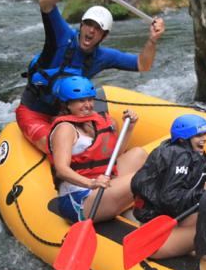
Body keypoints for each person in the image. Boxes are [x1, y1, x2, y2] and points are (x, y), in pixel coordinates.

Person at [15, 0, 165, 152]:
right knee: (56, 147)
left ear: (104, 35)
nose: (91, 31)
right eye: (89, 24)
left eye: (98, 28)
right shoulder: (63, 36)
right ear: (82, 25)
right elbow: (45, 4)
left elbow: (143, 65)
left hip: (67, 114)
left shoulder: (103, 56)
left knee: (109, 130)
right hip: (34, 112)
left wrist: (152, 40)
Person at [129, 114, 206, 258]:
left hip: (170, 217)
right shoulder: (179, 158)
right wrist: (205, 194)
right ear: (184, 138)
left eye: (205, 134)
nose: (205, 138)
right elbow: (170, 198)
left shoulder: (189, 153)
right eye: (199, 135)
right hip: (154, 230)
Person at [48, 76, 146, 223]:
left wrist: (130, 127)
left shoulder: (99, 121)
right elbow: (61, 169)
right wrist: (91, 183)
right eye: (81, 101)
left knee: (139, 154)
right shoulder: (65, 129)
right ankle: (138, 204)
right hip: (79, 198)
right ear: (68, 104)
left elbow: (113, 156)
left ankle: (130, 205)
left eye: (90, 99)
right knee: (141, 177)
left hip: (102, 182)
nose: (88, 105)